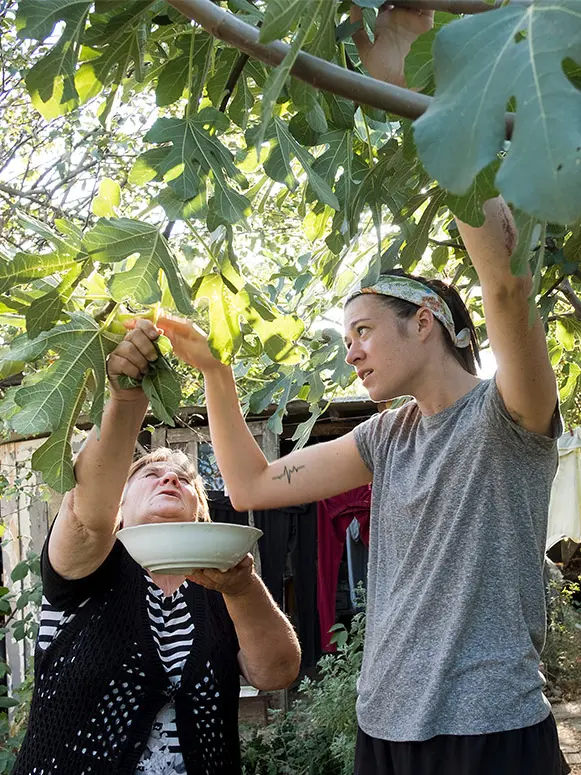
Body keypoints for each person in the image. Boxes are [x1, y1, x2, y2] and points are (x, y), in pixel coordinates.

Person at [142, 8, 565, 774]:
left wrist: (420, 89)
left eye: (364, 330)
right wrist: (215, 372)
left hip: (491, 733)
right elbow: (249, 483)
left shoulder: (510, 416)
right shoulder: (385, 437)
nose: (353, 352)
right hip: (383, 727)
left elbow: (504, 287)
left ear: (426, 320)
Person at [13, 320, 301, 775]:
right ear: (119, 508)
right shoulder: (91, 564)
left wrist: (243, 588)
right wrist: (128, 400)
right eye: (150, 475)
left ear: (200, 513)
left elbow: (277, 673)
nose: (170, 478)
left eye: (185, 480)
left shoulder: (223, 585)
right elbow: (88, 518)